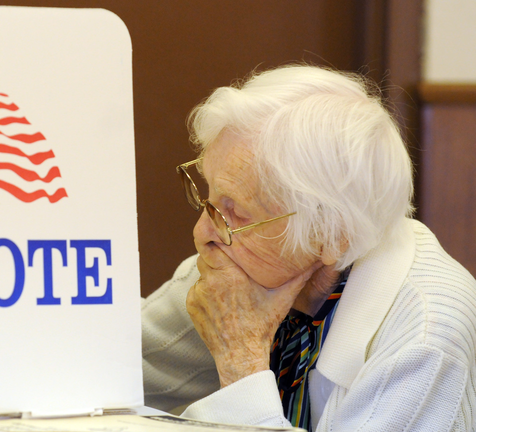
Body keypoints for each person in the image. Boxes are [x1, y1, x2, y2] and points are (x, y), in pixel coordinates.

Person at [141, 65, 475, 431]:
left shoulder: (425, 339)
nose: (202, 232)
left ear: (331, 236)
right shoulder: (239, 267)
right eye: (210, 199)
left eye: (236, 213)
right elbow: (104, 363)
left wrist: (241, 362)